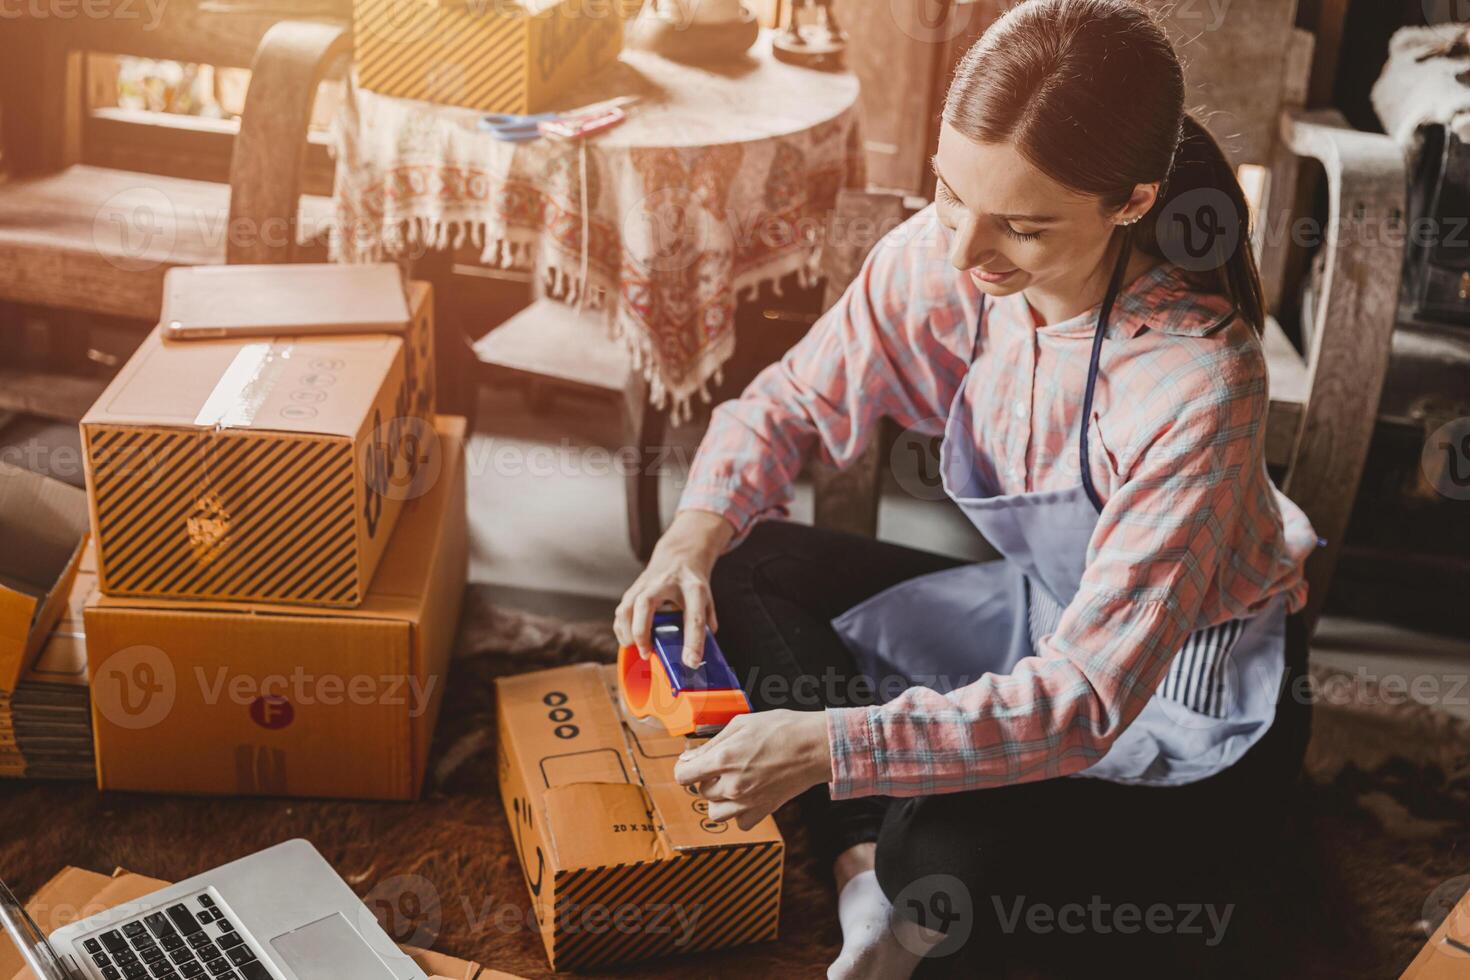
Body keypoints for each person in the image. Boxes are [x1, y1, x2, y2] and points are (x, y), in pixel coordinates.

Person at [613, 0, 1318, 975]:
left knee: (942, 863)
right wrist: (689, 536)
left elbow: (1081, 700)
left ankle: (882, 854)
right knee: (741, 562)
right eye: (950, 193)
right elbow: (785, 404)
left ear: (1130, 202)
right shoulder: (943, 261)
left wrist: (831, 746)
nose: (960, 254)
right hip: (1036, 613)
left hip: (1177, 696)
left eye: (1021, 228)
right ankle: (868, 885)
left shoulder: (1198, 379)